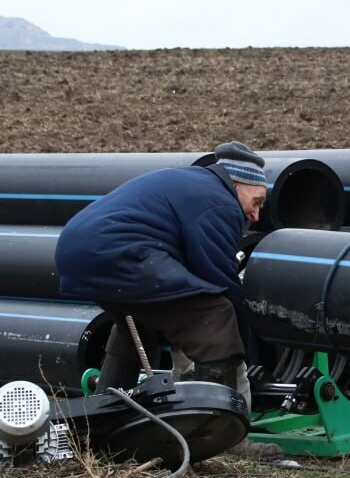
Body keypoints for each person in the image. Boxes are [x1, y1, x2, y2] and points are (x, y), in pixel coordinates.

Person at [55, 141, 269, 398]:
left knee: (138, 324)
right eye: (256, 202)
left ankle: (104, 418)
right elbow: (220, 278)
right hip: (118, 249)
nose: (256, 215)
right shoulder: (220, 201)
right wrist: (243, 348)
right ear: (236, 185)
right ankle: (219, 432)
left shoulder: (193, 183)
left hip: (76, 247)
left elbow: (190, 275)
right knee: (217, 314)